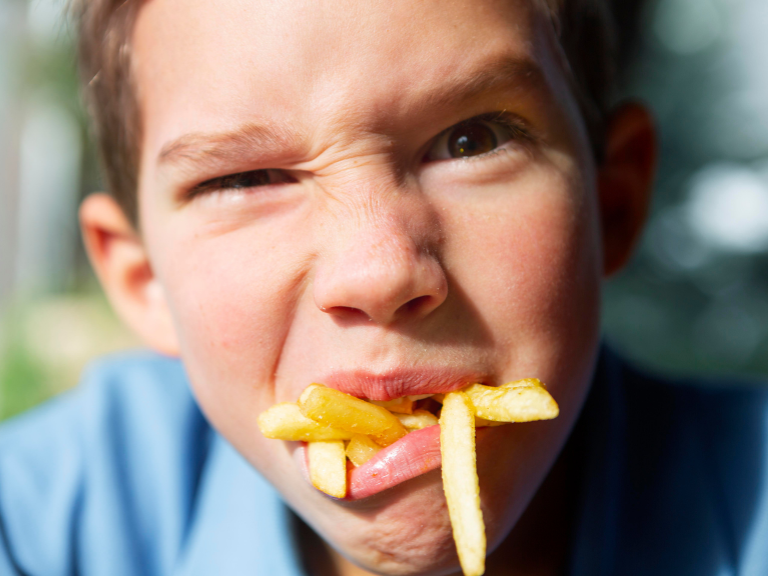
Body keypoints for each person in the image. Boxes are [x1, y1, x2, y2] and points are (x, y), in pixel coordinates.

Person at [1, 0, 767, 574]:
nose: (378, 270)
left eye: (472, 141)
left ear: (613, 204)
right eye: (247, 178)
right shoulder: (39, 526)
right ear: (143, 284)